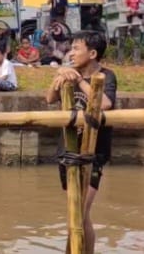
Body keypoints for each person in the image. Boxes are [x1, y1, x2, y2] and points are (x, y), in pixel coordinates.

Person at [45, 31, 116, 254]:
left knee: (80, 212)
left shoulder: (106, 75)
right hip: (68, 149)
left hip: (93, 153)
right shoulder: (70, 72)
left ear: (93, 53)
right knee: (74, 213)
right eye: (71, 48)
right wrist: (60, 76)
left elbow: (104, 103)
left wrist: (80, 80)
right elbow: (49, 99)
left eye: (77, 48)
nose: (71, 53)